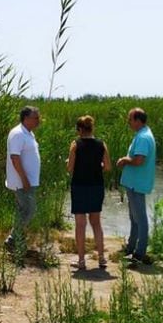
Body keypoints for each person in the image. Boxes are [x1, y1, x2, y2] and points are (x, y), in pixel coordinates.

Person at [66, 115, 112, 271]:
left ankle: (81, 261)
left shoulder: (75, 144)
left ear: (79, 130)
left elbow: (70, 167)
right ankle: (101, 258)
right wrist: (97, 164)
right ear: (91, 128)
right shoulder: (101, 144)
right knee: (96, 223)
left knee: (80, 224)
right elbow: (107, 167)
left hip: (79, 186)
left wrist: (70, 161)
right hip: (96, 186)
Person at [116, 107, 156, 264]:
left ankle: (139, 253)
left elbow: (139, 160)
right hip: (134, 182)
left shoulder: (144, 137)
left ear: (138, 120)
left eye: (130, 119)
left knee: (140, 218)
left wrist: (125, 160)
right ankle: (131, 247)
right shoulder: (142, 134)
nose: (128, 122)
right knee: (134, 218)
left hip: (137, 183)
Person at [4, 106, 41, 251]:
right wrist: (24, 179)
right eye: (36, 118)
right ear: (26, 118)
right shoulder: (18, 134)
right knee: (29, 210)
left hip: (28, 181)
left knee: (23, 211)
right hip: (21, 182)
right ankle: (13, 239)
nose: (39, 121)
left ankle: (16, 240)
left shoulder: (28, 134)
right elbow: (15, 158)